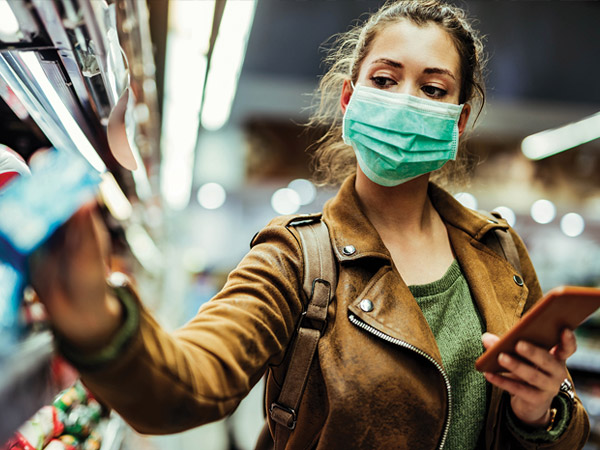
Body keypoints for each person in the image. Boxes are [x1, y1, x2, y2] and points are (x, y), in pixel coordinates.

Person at [30, 0, 590, 449]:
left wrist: (539, 413)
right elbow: (195, 380)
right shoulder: (297, 256)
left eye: (434, 89)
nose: (405, 101)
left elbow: (562, 423)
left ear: (460, 121)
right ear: (349, 100)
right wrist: (101, 325)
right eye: (386, 79)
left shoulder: (500, 252)